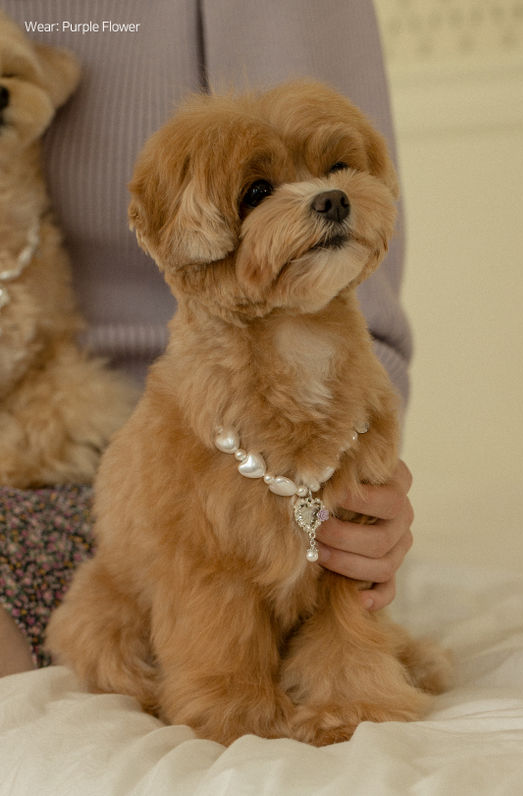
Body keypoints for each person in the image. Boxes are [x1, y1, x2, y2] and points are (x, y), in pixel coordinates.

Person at [0, 0, 414, 674]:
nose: (326, 193)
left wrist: (340, 480)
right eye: (257, 192)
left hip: (201, 443)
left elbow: (351, 294)